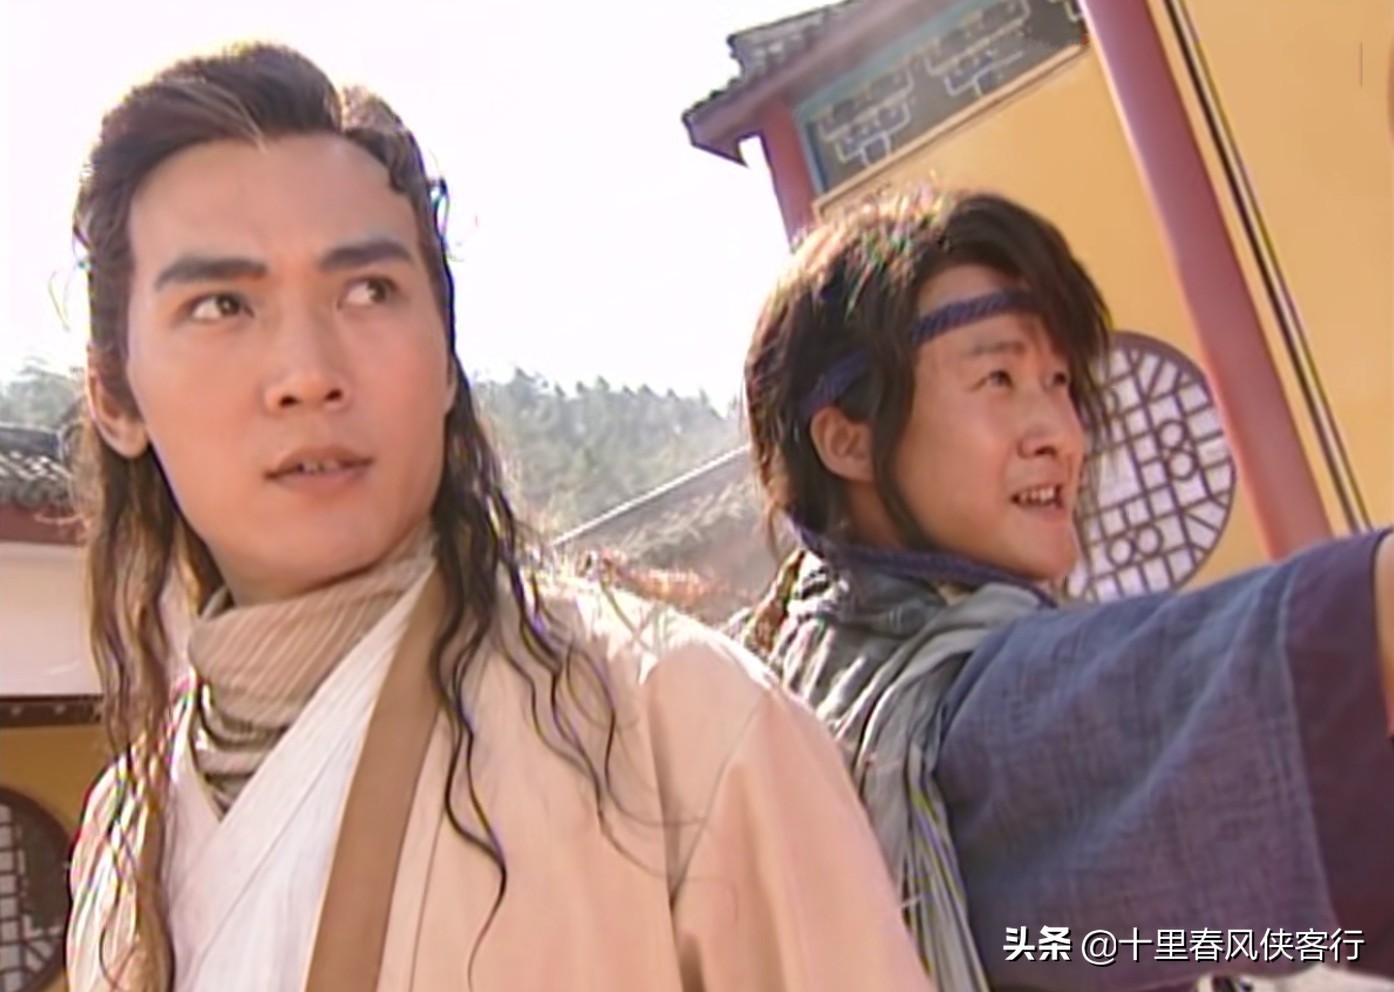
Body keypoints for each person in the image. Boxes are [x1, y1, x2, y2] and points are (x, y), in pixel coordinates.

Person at [63, 43, 935, 992]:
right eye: (222, 305)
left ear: (446, 361)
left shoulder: (677, 728)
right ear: (115, 396)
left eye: (368, 291)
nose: (308, 373)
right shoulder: (122, 842)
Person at [738, 189, 1394, 992]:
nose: (1061, 434)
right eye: (999, 377)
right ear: (849, 438)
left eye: (1058, 382)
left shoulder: (803, 692)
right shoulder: (959, 729)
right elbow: (1299, 653)